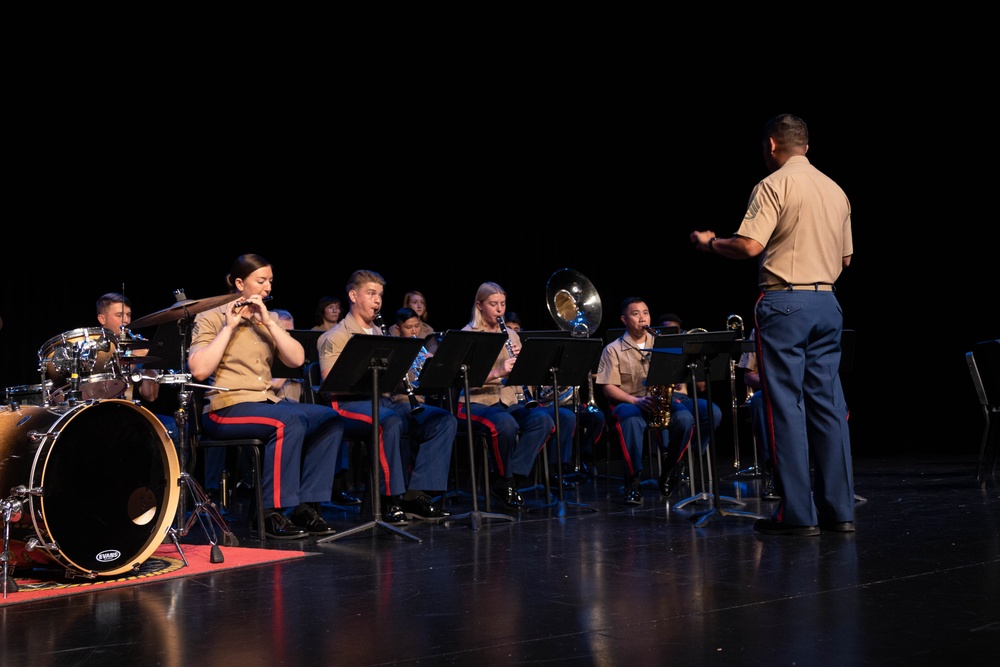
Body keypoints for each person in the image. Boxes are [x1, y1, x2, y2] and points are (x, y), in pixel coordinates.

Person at [690, 113, 854, 537]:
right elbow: (846, 259)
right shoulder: (836, 190)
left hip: (785, 303)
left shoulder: (773, 184)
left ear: (771, 145)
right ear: (806, 146)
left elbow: (748, 245)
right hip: (828, 302)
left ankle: (798, 515)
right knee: (829, 408)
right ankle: (840, 511)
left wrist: (710, 244)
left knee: (783, 406)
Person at [187, 253, 345, 539]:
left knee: (329, 418)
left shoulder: (267, 318)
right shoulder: (210, 316)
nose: (268, 288)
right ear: (239, 283)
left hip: (264, 403)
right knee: (291, 420)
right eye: (261, 281)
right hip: (225, 408)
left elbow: (296, 360)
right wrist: (229, 327)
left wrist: (270, 323)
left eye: (270, 281)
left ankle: (305, 506)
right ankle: (270, 512)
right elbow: (198, 370)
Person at [317, 270, 456, 523]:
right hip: (350, 405)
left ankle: (416, 495)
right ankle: (389, 498)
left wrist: (416, 374)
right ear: (353, 295)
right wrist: (372, 378)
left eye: (380, 295)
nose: (377, 301)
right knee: (388, 421)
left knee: (442, 420)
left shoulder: (384, 335)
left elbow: (395, 385)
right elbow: (329, 384)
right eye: (371, 294)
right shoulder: (334, 336)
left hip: (386, 402)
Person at [458, 282, 567, 509]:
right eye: (493, 304)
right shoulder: (467, 335)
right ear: (479, 305)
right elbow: (461, 379)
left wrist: (524, 368)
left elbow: (520, 377)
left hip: (507, 400)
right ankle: (505, 479)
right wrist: (499, 372)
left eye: (503, 304)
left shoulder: (511, 335)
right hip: (475, 401)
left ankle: (509, 480)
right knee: (505, 423)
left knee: (543, 420)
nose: (499, 310)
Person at [595, 297, 700, 504]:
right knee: (632, 422)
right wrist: (635, 401)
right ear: (624, 319)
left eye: (646, 313)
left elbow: (676, 373)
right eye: (636, 314)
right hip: (627, 402)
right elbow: (608, 388)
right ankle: (633, 480)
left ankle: (669, 469)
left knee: (686, 419)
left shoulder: (662, 343)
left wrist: (676, 379)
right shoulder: (613, 349)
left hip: (658, 399)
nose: (642, 318)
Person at [94, 293, 179, 449]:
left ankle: (172, 474)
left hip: (129, 413)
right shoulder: (92, 348)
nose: (126, 320)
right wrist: (129, 359)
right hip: (99, 414)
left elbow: (151, 396)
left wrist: (150, 361)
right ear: (102, 319)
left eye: (128, 315)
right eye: (119, 315)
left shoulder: (134, 346)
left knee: (173, 426)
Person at [654, 313, 723, 462]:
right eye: (668, 331)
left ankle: (688, 452)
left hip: (683, 399)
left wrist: (694, 357)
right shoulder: (653, 350)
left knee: (714, 413)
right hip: (661, 399)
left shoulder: (684, 352)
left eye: (675, 331)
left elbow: (701, 387)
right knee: (677, 417)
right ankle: (672, 460)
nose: (672, 335)